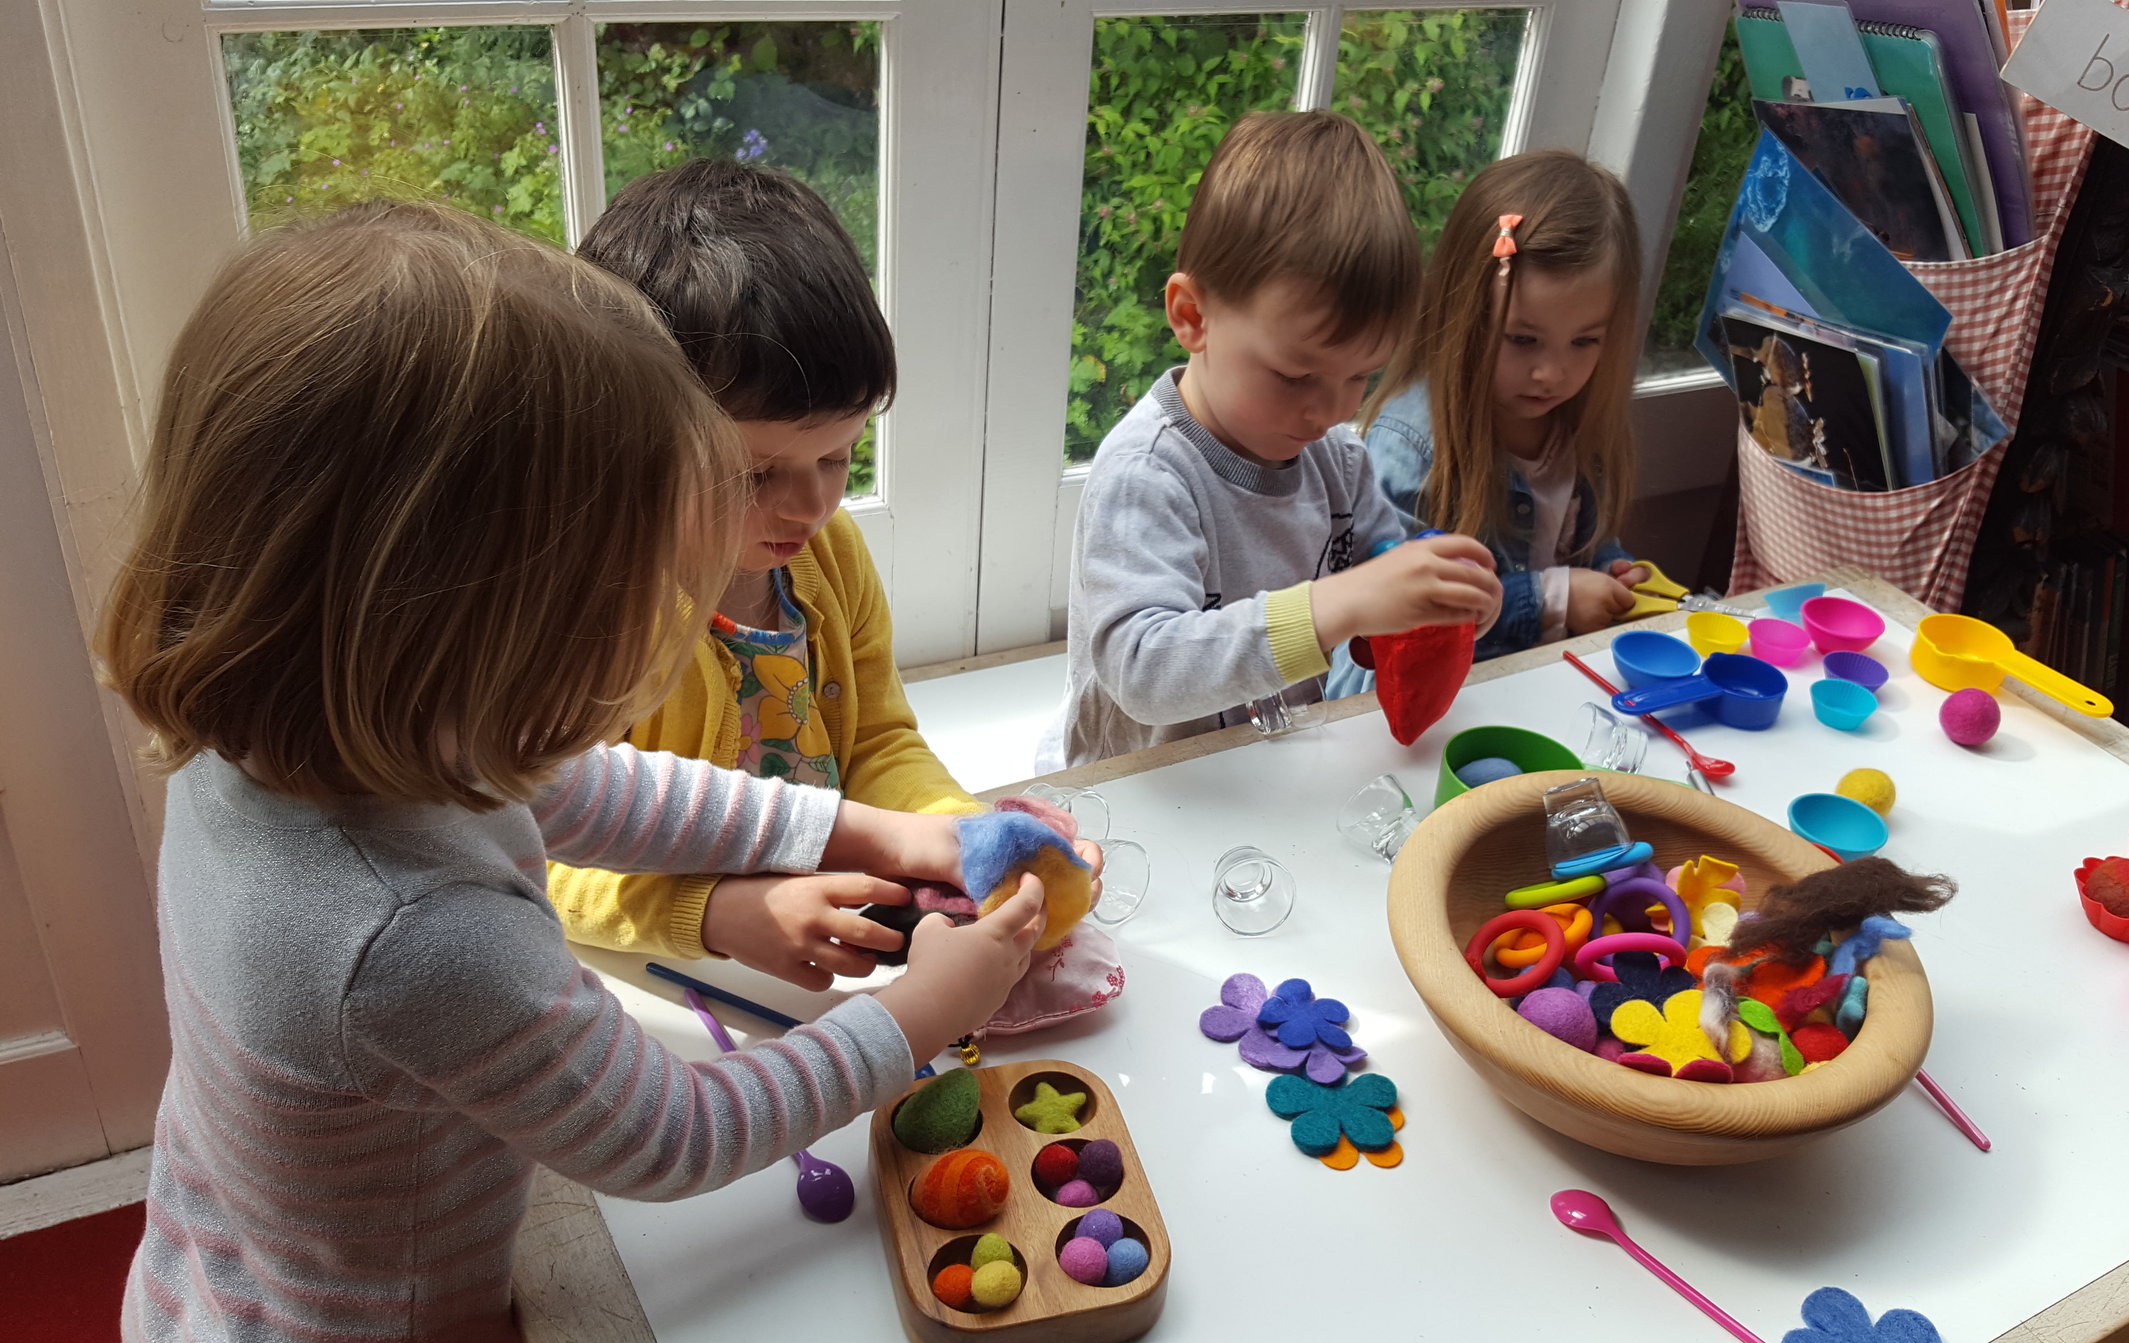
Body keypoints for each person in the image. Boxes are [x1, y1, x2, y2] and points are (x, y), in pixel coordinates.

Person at [99, 202, 1047, 1343]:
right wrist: (916, 1013)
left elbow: (583, 783)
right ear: (458, 613)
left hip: (212, 1275)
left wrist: (865, 826)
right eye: (617, 587)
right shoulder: (410, 934)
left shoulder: (288, 728)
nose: (647, 614)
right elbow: (669, 1133)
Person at [565, 159, 1043, 990]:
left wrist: (959, 834)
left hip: (828, 963)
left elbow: (879, 742)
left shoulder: (830, 557)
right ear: (624, 436)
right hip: (661, 983)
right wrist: (714, 911)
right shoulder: (587, 608)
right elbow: (529, 851)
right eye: (755, 476)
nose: (811, 505)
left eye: (839, 455)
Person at [1053, 110, 1502, 768]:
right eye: (1296, 375)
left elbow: (1375, 602)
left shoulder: (1336, 460)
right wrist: (1334, 604)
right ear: (1192, 316)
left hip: (1270, 754)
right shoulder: (1148, 475)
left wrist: (1436, 611)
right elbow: (1142, 673)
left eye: (1361, 376)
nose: (1329, 409)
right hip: (1143, 786)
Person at [1340, 149, 1650, 688]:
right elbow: (1389, 626)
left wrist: (1609, 571)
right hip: (1434, 710)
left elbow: (1580, 543)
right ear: (1463, 316)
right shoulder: (1412, 447)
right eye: (1523, 339)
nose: (1551, 373)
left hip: (1542, 687)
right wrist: (1554, 599)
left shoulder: (1579, 427)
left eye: (1585, 341)